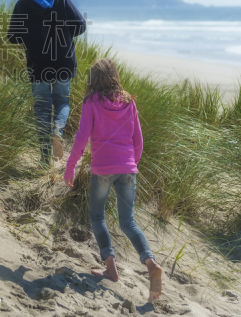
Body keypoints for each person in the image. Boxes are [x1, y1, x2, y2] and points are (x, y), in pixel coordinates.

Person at [64, 58, 163, 302]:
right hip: (128, 169)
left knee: (97, 216)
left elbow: (81, 137)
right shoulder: (129, 102)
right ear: (115, 77)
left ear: (92, 80)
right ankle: (150, 262)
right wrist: (130, 165)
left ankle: (111, 267)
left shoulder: (90, 102)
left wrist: (70, 166)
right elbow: (137, 140)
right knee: (128, 221)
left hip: (103, 169)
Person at [6, 0, 86, 166]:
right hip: (64, 62)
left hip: (37, 65)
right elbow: (80, 26)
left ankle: (44, 161)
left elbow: (13, 37)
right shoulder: (63, 0)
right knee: (63, 102)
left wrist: (30, 36)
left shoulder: (23, 5)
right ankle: (58, 130)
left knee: (42, 108)